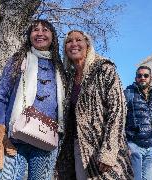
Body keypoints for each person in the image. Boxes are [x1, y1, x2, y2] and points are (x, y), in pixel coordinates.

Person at [0, 19, 66, 180]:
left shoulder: (60, 67)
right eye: (35, 30)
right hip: (14, 138)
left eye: (45, 30)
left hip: (47, 141)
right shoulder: (18, 60)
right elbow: (1, 96)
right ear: (29, 35)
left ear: (53, 36)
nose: (40, 33)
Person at [56, 30, 133, 180]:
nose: (74, 44)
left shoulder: (104, 69)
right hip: (80, 148)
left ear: (87, 45)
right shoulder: (69, 77)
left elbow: (118, 109)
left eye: (78, 40)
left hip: (103, 147)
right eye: (69, 41)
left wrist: (109, 151)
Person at [124, 65, 152, 180]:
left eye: (146, 75)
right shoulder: (127, 94)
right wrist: (125, 143)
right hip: (134, 145)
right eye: (139, 75)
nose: (142, 77)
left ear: (151, 78)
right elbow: (119, 119)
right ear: (136, 78)